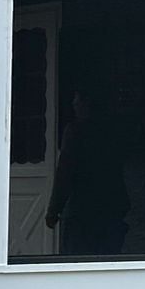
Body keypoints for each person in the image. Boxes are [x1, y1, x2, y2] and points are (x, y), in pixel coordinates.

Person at [45, 89, 130, 256]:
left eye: (78, 99)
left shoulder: (76, 132)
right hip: (111, 208)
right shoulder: (115, 130)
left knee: (79, 261)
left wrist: (54, 210)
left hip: (83, 211)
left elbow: (65, 172)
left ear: (87, 103)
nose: (74, 104)